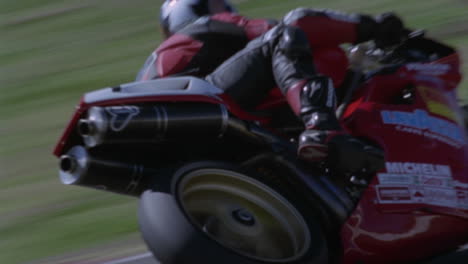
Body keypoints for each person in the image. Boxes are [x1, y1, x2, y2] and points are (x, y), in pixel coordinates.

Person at [205, 8, 405, 165]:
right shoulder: (205, 25)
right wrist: (375, 27)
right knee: (286, 36)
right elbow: (298, 22)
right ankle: (322, 128)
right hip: (206, 102)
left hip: (216, 129)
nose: (227, 9)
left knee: (319, 60)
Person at [136, 0, 277, 81]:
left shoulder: (154, 62)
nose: (227, 9)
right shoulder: (210, 26)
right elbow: (273, 31)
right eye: (217, 3)